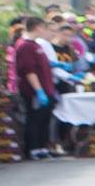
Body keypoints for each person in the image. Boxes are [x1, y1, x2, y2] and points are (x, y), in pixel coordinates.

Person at [8, 16, 58, 158]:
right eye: (44, 28)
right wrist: (39, 90)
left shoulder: (35, 44)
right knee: (34, 119)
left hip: (46, 88)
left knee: (44, 119)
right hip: (34, 91)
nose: (45, 31)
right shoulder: (25, 45)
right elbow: (29, 71)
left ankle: (42, 146)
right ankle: (33, 148)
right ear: (37, 27)